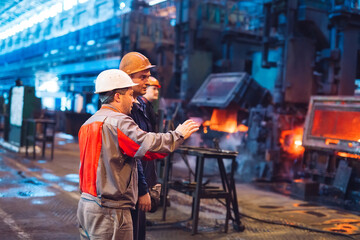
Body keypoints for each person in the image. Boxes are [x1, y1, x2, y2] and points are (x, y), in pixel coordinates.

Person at [77, 69, 199, 240]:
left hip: (86, 206)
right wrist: (178, 135)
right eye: (130, 94)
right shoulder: (118, 122)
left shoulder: (88, 124)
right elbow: (147, 147)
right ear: (117, 96)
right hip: (110, 211)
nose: (134, 100)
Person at [119, 52, 158, 240]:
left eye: (148, 76)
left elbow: (147, 147)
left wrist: (153, 181)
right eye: (143, 77)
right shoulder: (126, 111)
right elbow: (133, 154)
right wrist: (143, 190)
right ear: (128, 79)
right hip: (130, 189)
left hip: (139, 184)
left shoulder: (141, 106)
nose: (147, 81)